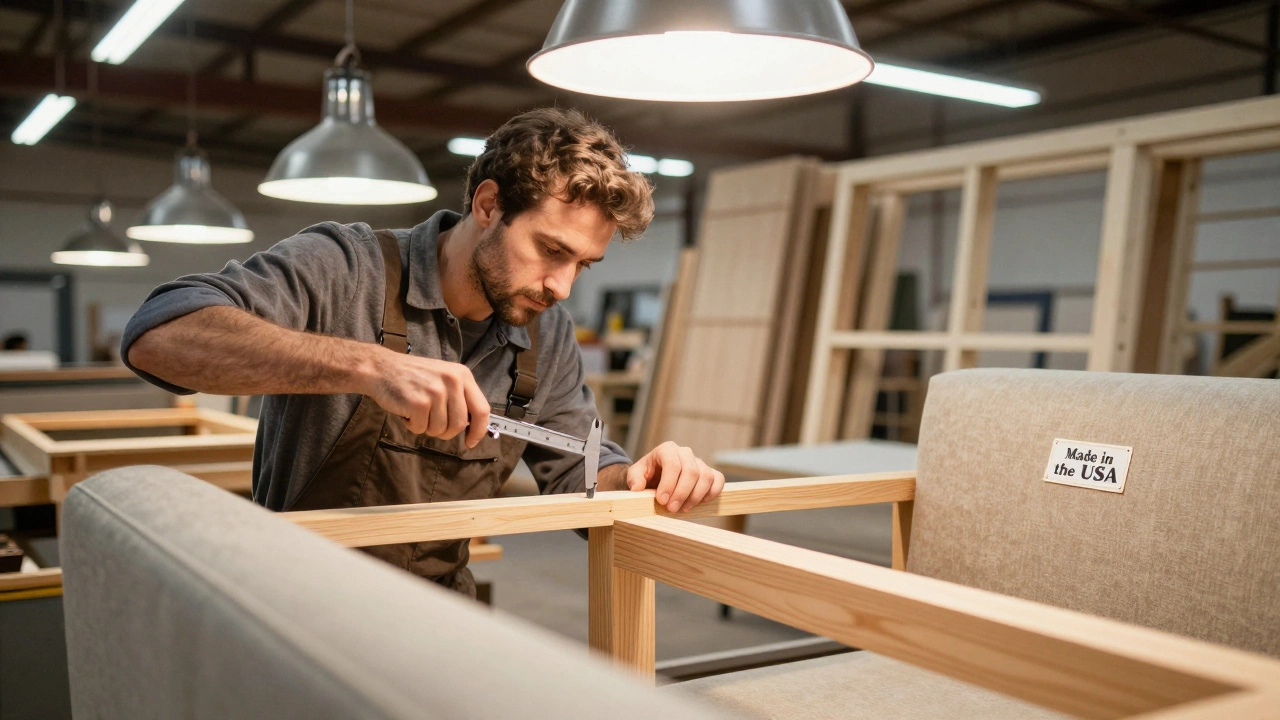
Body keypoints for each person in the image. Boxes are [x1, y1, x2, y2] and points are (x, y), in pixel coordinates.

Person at [122, 108, 725, 596]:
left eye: (582, 265)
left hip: (438, 608)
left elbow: (576, 474)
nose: (562, 287)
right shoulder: (344, 266)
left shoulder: (547, 332)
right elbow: (157, 335)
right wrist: (369, 366)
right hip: (293, 601)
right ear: (488, 206)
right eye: (550, 250)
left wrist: (636, 478)